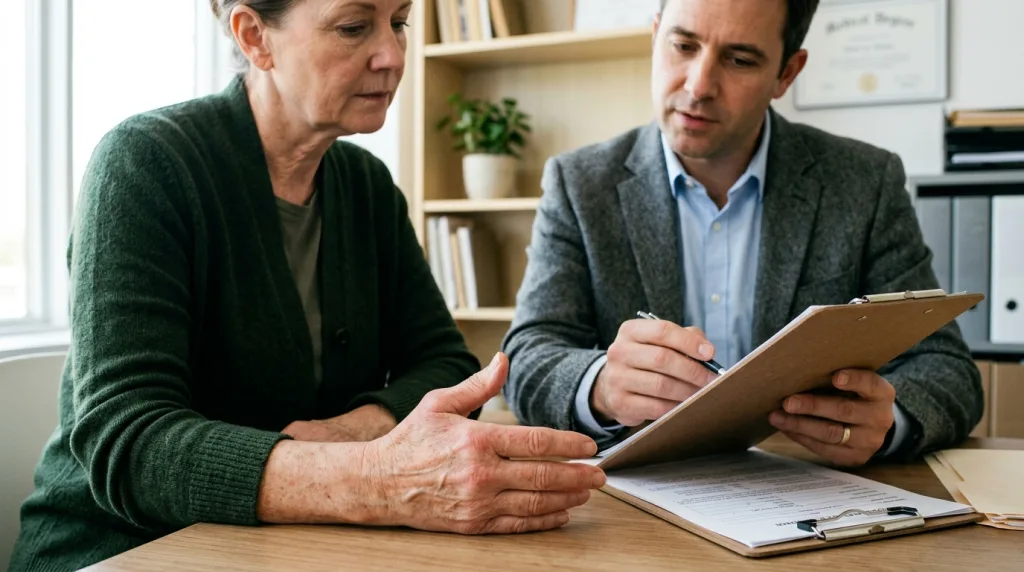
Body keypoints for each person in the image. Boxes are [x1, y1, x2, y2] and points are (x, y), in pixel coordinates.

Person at [9, 1, 605, 570]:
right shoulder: (144, 164)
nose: (393, 55)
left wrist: (349, 434)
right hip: (121, 550)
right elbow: (130, 442)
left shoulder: (368, 187)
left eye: (398, 22)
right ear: (253, 36)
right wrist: (376, 478)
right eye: (352, 27)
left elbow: (447, 363)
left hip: (285, 548)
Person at [502, 0, 982, 468]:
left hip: (808, 495)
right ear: (655, 35)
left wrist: (888, 423)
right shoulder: (580, 183)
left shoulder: (864, 182)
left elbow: (947, 367)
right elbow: (526, 358)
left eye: (739, 59)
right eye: (683, 46)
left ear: (787, 73)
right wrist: (601, 385)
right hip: (636, 509)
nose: (698, 85)